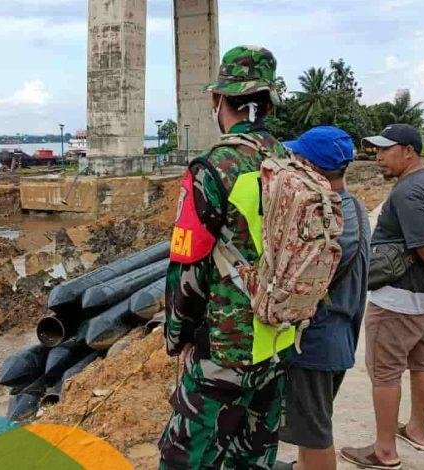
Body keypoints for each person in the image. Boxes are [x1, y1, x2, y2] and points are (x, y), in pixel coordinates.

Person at [158, 45, 291, 469]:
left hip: (224, 347)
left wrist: (176, 336)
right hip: (277, 341)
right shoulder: (288, 161)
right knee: (253, 457)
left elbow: (187, 267)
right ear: (267, 102)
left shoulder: (213, 168)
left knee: (186, 457)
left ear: (219, 101)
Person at [340, 124, 424, 470]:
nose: (377, 157)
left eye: (384, 150)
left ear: (408, 150)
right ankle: (417, 431)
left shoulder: (407, 192)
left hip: (398, 301)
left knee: (385, 372)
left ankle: (383, 451)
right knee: (422, 361)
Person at [275, 126, 370, 470]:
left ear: (309, 167)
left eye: (298, 160)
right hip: (337, 337)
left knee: (316, 434)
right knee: (309, 427)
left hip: (315, 344)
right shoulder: (355, 207)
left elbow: (295, 284)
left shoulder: (325, 220)